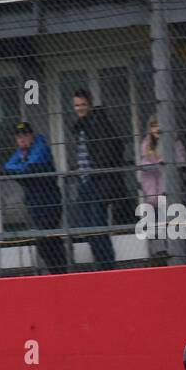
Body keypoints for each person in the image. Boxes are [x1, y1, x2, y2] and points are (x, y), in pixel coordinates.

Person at [69, 89, 127, 270]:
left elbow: (114, 147)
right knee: (87, 229)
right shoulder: (80, 126)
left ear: (90, 104)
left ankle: (107, 267)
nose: (80, 109)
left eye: (83, 105)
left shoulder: (98, 123)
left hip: (96, 183)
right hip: (84, 182)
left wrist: (99, 169)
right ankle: (101, 266)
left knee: (98, 228)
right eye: (77, 105)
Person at [3, 121, 66, 273]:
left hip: (49, 202)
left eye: (25, 135)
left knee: (48, 237)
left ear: (32, 135)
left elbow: (30, 169)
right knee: (41, 240)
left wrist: (21, 169)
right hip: (34, 203)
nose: (22, 139)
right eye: (18, 136)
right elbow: (7, 167)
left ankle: (61, 271)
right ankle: (55, 271)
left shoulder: (40, 147)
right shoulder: (22, 152)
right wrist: (21, 168)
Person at [139, 114, 186, 207]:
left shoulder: (175, 142)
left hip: (169, 184)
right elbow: (144, 163)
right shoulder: (146, 144)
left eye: (159, 125)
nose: (157, 129)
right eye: (153, 126)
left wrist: (168, 161)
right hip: (151, 188)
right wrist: (156, 164)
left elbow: (182, 160)